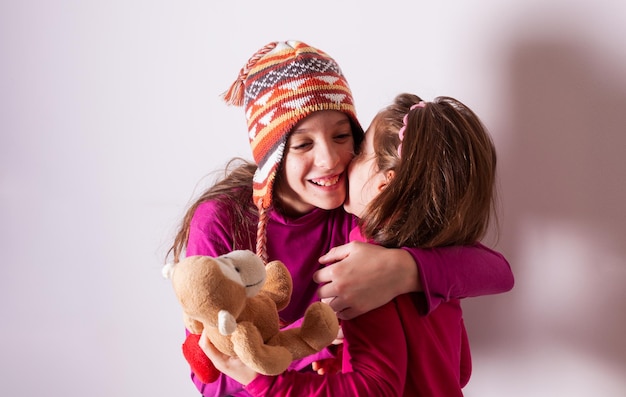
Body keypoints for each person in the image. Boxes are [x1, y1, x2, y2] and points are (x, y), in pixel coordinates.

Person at [167, 41, 514, 396]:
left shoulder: (359, 210)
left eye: (342, 136)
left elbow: (496, 272)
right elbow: (212, 381)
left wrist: (401, 270)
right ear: (272, 157)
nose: (330, 159)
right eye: (303, 145)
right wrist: (312, 337)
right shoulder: (222, 221)